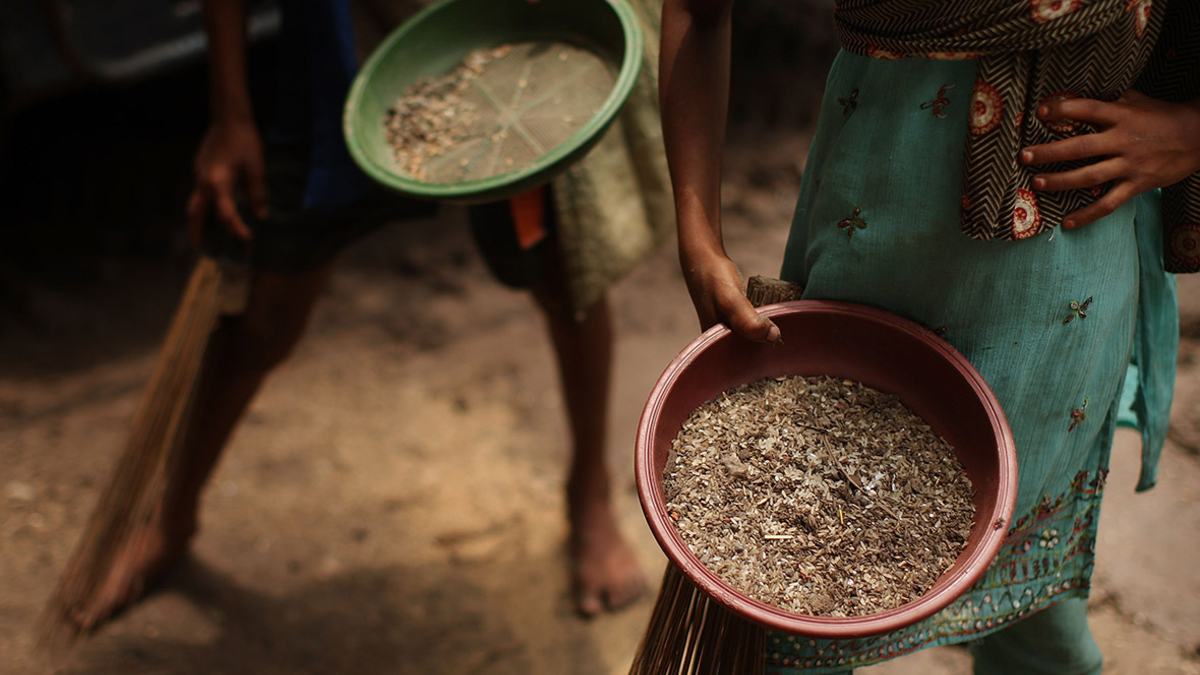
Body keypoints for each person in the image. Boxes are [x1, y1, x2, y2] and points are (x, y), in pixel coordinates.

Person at [69, 0, 672, 629]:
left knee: (561, 277)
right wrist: (230, 116)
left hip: (499, 46)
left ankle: (589, 495)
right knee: (265, 314)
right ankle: (171, 520)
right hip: (338, 50)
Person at [658, 0, 1198, 673]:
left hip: (1062, 283)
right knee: (798, 572)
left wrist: (1191, 130)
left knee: (1029, 575)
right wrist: (697, 234)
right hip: (875, 241)